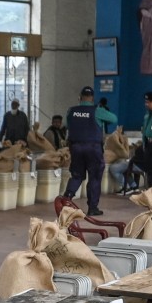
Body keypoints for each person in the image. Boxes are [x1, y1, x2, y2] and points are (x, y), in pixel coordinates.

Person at [62, 86, 106, 216]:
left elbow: (68, 124)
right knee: (95, 177)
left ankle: (66, 200)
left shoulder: (71, 111)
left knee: (77, 175)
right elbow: (113, 119)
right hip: (93, 148)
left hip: (76, 147)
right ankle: (92, 208)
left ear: (80, 97)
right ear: (92, 98)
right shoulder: (97, 110)